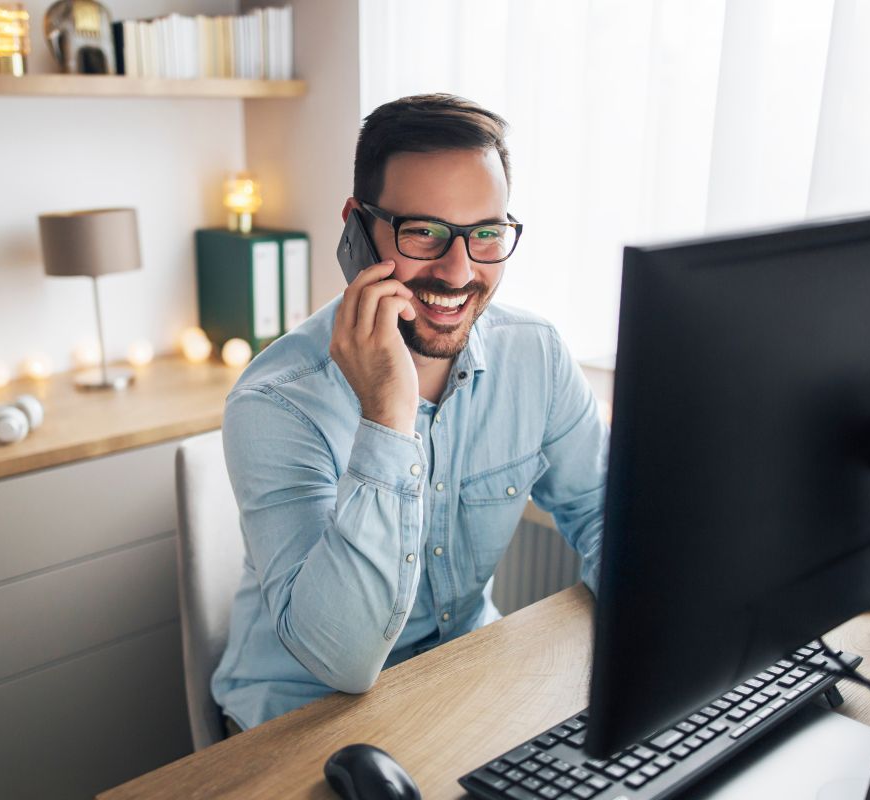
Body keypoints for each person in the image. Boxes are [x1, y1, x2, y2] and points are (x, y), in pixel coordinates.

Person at [212, 94, 608, 733]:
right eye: (424, 231)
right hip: (297, 718)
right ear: (356, 227)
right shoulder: (276, 401)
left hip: (462, 685)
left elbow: (605, 511)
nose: (459, 271)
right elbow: (342, 662)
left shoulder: (536, 354)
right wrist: (387, 417)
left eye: (485, 234)